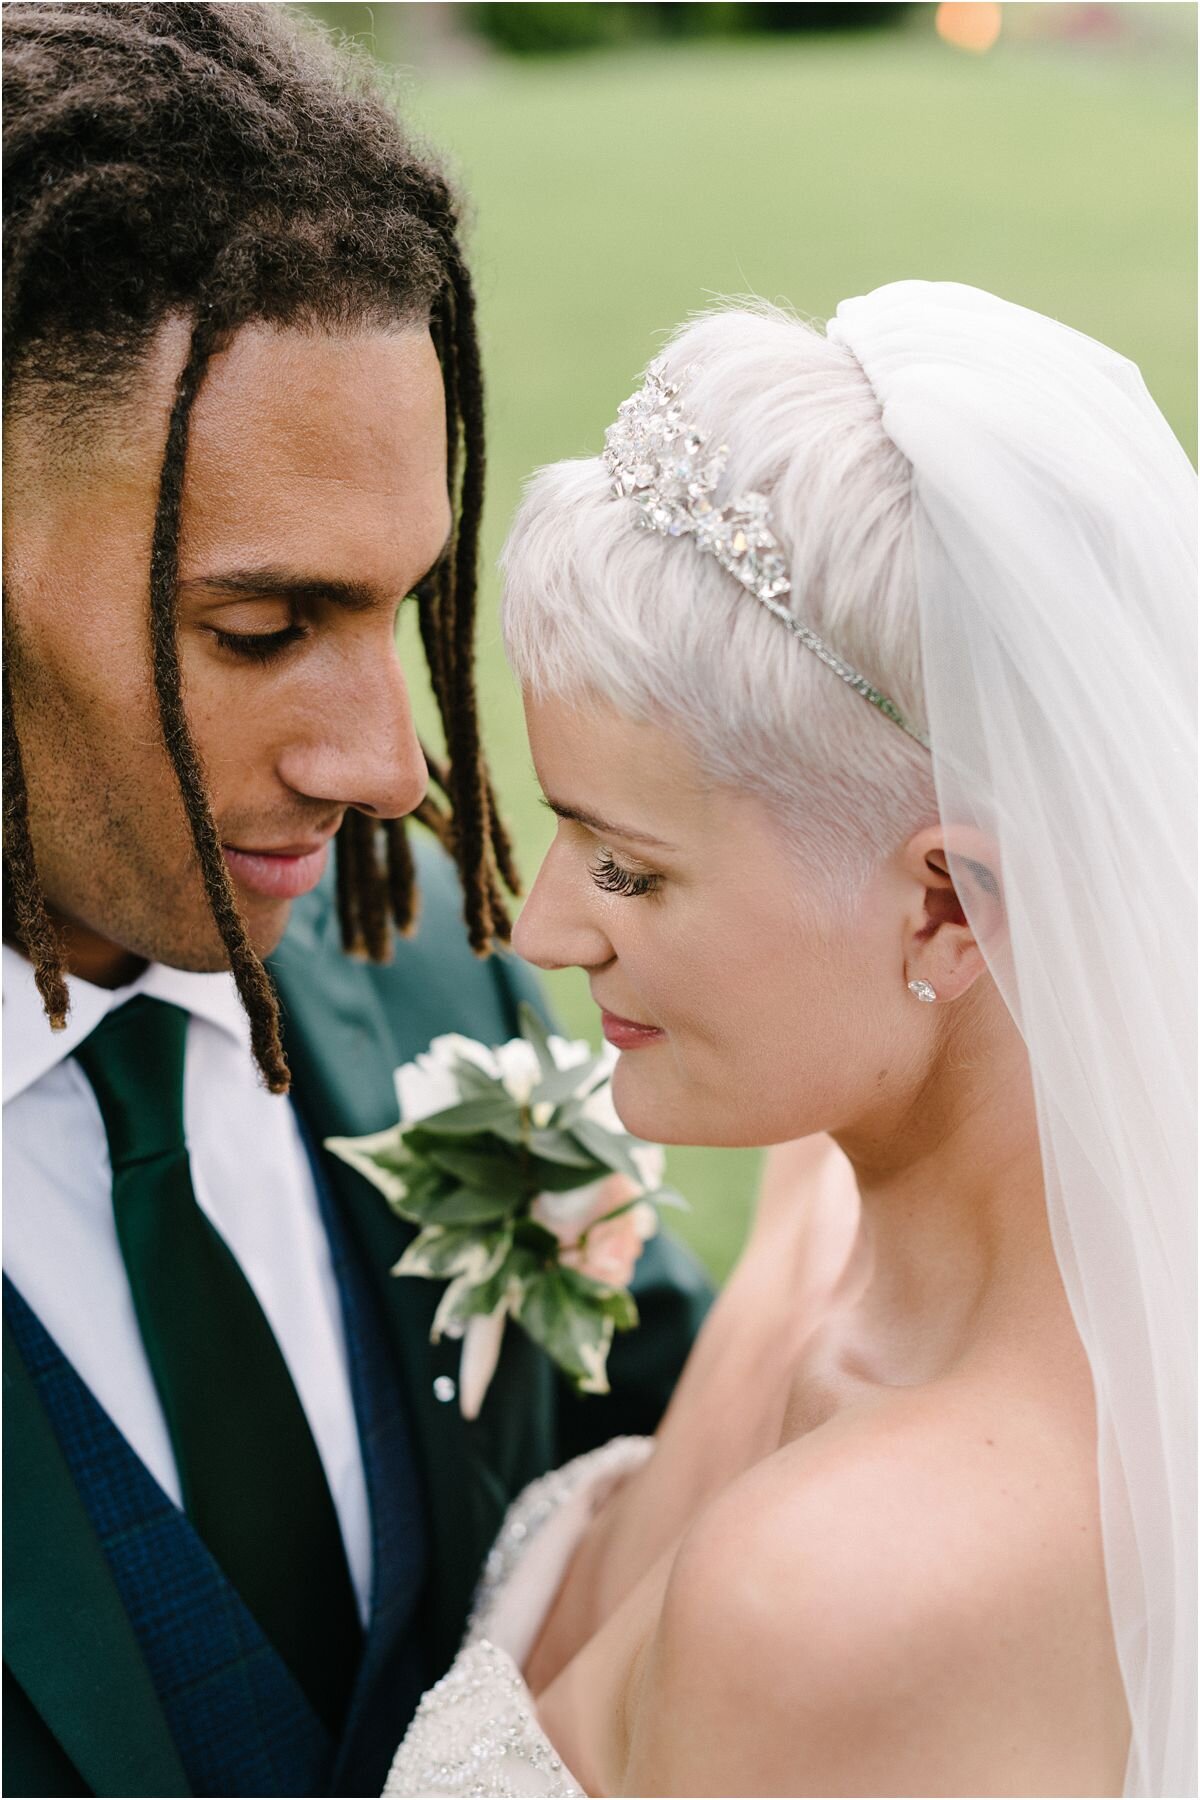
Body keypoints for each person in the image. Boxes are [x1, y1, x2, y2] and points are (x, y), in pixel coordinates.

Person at [1, 8, 711, 1796]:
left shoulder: (424, 979)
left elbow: (677, 1409)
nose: (390, 768)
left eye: (399, 610)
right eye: (261, 630)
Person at [384, 285, 1196, 1799]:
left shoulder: (844, 1601)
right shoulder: (844, 1244)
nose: (546, 931)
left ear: (951, 909)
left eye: (627, 866)